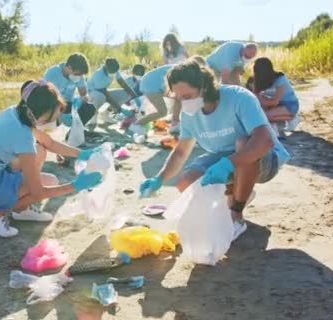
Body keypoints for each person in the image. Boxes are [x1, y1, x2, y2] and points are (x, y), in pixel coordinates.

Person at [139, 60, 289, 241]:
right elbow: (180, 152)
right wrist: (159, 178)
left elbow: (264, 141)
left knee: (242, 142)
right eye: (179, 98)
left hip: (264, 159)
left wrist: (228, 164)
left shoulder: (238, 97)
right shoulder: (190, 114)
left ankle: (236, 215)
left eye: (187, 96)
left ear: (203, 87)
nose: (183, 103)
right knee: (185, 183)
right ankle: (238, 193)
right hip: (224, 159)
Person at [0, 79, 103, 238]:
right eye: (53, 116)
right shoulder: (23, 137)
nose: (55, 120)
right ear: (41, 114)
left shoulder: (17, 113)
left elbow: (49, 142)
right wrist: (76, 186)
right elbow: (38, 192)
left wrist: (83, 154)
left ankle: (22, 210)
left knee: (49, 175)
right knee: (38, 183)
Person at [43, 53, 97, 137]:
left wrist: (84, 98)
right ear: (69, 67)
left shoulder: (79, 75)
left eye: (81, 75)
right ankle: (42, 136)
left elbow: (83, 93)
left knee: (89, 107)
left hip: (68, 105)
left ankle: (74, 133)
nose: (79, 76)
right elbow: (44, 96)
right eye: (77, 74)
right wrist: (57, 110)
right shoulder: (52, 73)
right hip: (53, 105)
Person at [128, 64, 181, 136]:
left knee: (178, 98)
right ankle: (137, 124)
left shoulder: (181, 67)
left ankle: (175, 123)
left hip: (152, 83)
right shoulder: (182, 71)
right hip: (150, 86)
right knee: (162, 112)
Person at [86, 58, 140, 128]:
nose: (114, 73)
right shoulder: (98, 74)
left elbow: (123, 84)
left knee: (126, 93)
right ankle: (93, 117)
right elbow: (106, 95)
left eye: (115, 71)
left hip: (104, 92)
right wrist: (118, 108)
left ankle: (105, 115)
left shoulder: (115, 71)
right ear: (106, 67)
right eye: (112, 71)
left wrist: (136, 97)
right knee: (100, 97)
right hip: (93, 93)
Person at [252, 57, 300, 134]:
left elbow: (275, 102)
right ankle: (277, 124)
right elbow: (255, 96)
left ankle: (292, 118)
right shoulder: (257, 79)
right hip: (275, 104)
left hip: (289, 104)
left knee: (264, 116)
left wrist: (260, 102)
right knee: (260, 113)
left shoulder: (280, 79)